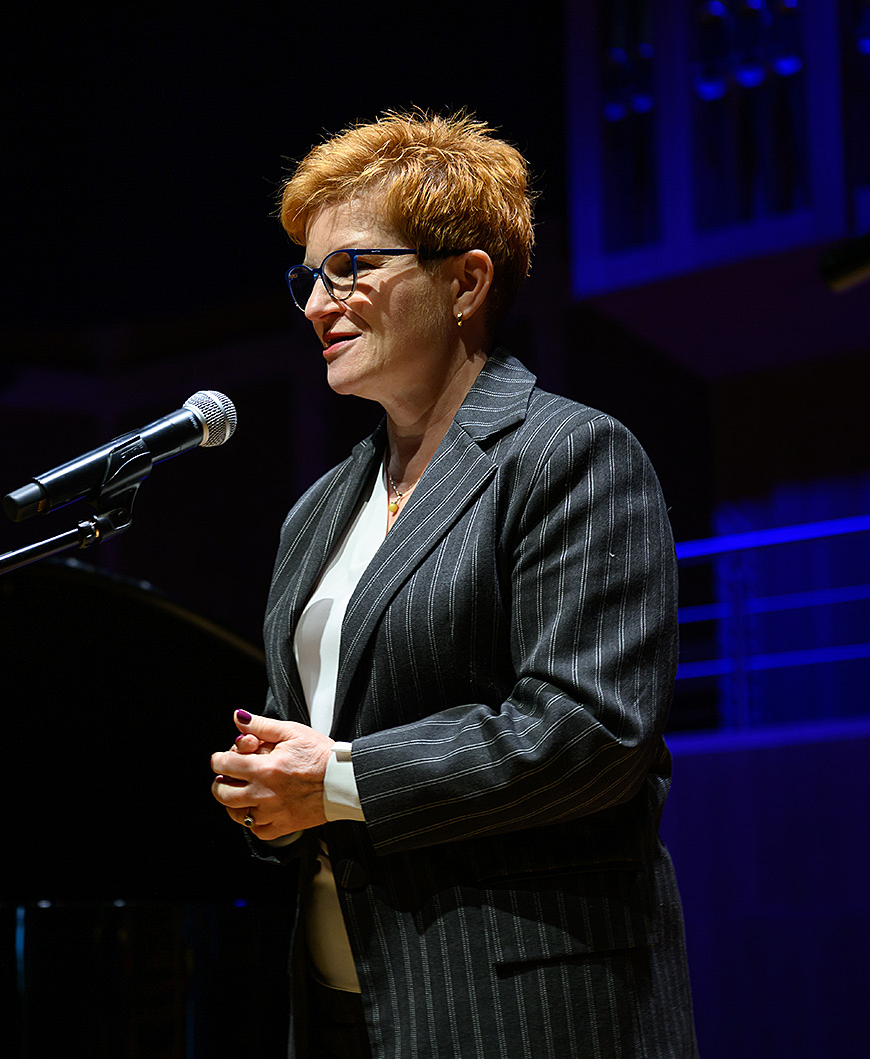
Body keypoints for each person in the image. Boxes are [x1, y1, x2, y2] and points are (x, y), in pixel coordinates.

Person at [209, 109, 699, 1059]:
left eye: (350, 267)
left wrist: (335, 778)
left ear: (465, 281)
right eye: (307, 278)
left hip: (522, 1006)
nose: (316, 304)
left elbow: (589, 730)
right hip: (345, 1008)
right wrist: (266, 791)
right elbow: (300, 736)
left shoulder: (570, 455)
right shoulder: (319, 510)